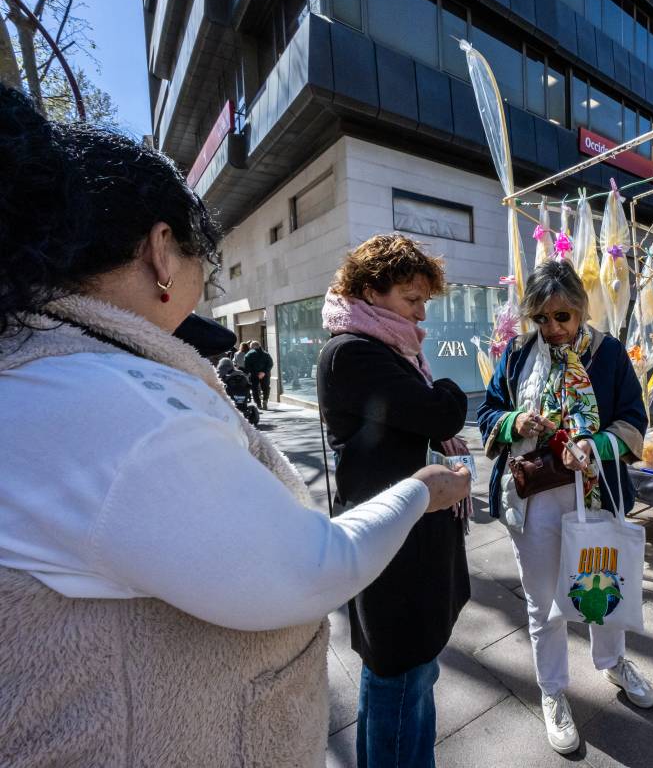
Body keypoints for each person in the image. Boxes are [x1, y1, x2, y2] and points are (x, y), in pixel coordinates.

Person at [0, 86, 472, 765]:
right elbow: (309, 563)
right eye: (205, 261)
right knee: (399, 697)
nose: (421, 319)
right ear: (163, 250)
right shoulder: (123, 411)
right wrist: (425, 488)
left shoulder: (59, 371)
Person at [477, 260, 653, 755]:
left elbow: (634, 420)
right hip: (533, 503)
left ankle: (614, 663)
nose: (553, 329)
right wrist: (515, 422)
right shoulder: (515, 356)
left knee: (604, 590)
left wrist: (595, 446)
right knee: (543, 606)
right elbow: (488, 411)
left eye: (563, 317)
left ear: (580, 310)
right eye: (543, 319)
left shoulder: (609, 354)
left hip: (596, 496)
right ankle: (553, 693)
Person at [317, 233, 471, 768]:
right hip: (394, 548)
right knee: (400, 679)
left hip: (405, 541)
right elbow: (439, 414)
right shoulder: (355, 352)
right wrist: (450, 390)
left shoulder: (384, 346)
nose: (421, 311)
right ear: (369, 289)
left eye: (425, 299)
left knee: (405, 676)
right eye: (412, 298)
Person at [243, 340, 274, 410]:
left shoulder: (248, 355)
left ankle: (258, 404)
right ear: (259, 346)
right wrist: (264, 372)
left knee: (255, 389)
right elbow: (270, 364)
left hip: (254, 375)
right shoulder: (266, 354)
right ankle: (265, 400)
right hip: (265, 375)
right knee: (266, 388)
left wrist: (254, 373)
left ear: (252, 347)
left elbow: (247, 367)